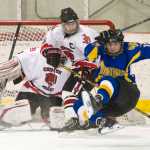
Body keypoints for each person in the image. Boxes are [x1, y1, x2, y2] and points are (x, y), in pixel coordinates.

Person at [65, 29, 150, 133]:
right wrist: (96, 43)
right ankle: (103, 122)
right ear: (104, 44)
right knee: (78, 104)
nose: (112, 47)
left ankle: (98, 101)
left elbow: (147, 50)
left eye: (115, 43)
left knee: (108, 80)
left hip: (128, 93)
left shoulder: (130, 49)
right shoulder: (101, 49)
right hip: (113, 103)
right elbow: (88, 52)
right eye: (109, 44)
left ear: (121, 43)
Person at [40, 7, 99, 124]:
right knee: (78, 95)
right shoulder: (55, 32)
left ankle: (73, 119)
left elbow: (96, 57)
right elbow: (45, 45)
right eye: (67, 24)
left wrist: (87, 69)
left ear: (77, 22)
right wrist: (49, 53)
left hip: (92, 68)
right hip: (76, 67)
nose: (71, 27)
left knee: (68, 92)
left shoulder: (86, 36)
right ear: (62, 24)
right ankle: (88, 119)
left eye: (73, 23)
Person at [0, 46, 71, 124]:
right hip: (32, 91)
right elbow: (18, 61)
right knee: (20, 113)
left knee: (54, 120)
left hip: (55, 96)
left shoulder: (73, 60)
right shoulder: (36, 54)